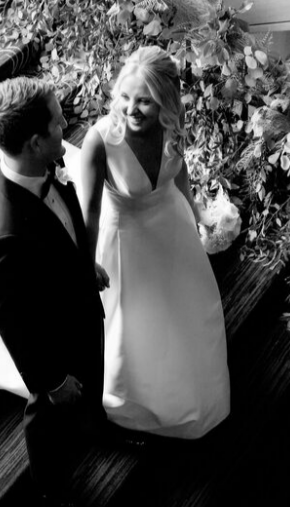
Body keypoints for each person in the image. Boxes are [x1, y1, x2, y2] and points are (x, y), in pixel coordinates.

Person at [77, 46, 230, 440]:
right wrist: (85, 263)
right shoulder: (100, 142)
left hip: (172, 229)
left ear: (164, 100)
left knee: (185, 310)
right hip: (124, 245)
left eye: (144, 100)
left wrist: (197, 213)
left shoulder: (172, 123)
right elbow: (88, 214)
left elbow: (179, 175)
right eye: (125, 97)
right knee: (133, 325)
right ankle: (130, 400)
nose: (131, 109)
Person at [0, 77, 106, 507]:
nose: (66, 124)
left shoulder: (47, 164)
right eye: (57, 122)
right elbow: (11, 321)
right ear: (35, 142)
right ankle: (51, 486)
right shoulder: (3, 234)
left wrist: (84, 265)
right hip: (50, 344)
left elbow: (62, 225)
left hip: (80, 309)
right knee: (47, 419)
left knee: (95, 371)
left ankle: (96, 427)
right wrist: (51, 381)